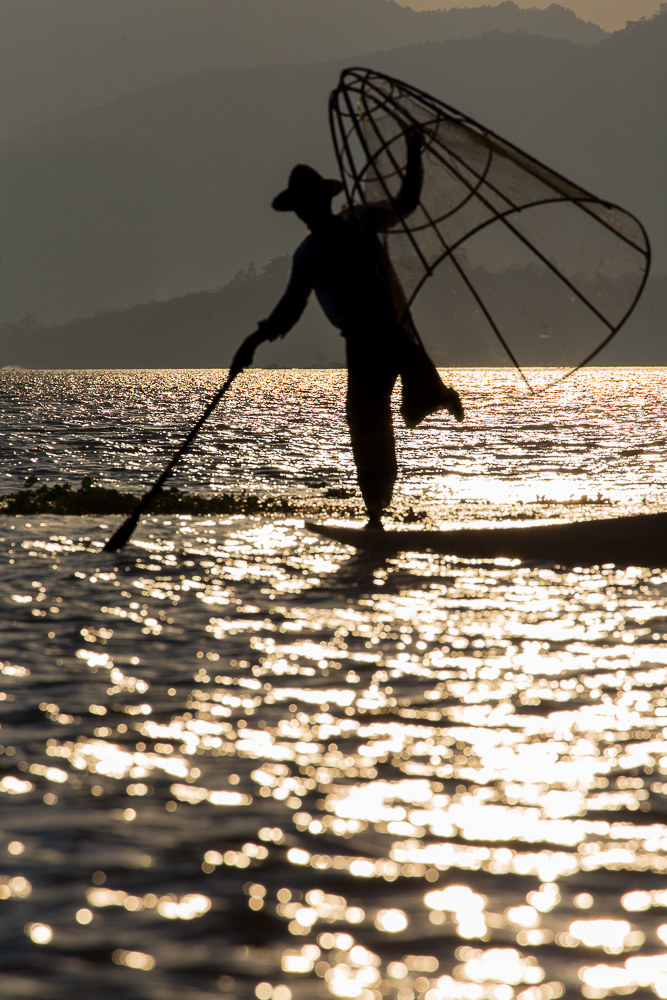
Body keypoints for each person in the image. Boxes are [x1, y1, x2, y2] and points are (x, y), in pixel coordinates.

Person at [230, 132, 463, 529]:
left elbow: (405, 203)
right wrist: (252, 342)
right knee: (365, 422)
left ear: (325, 201)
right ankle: (375, 513)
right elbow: (290, 308)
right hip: (360, 341)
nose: (307, 213)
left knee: (408, 401)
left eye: (311, 204)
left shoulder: (360, 220)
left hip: (390, 328)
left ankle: (437, 394)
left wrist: (411, 154)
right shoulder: (306, 255)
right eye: (301, 209)